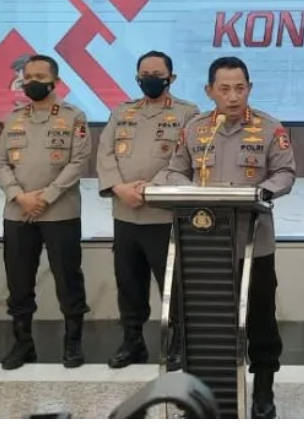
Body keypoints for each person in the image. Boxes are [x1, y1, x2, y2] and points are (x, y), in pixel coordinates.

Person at [156, 56, 296, 419]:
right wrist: (191, 191)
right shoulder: (196, 129)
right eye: (225, 89)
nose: (233, 96)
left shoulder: (269, 128)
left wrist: (262, 192)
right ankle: (204, 394)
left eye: (240, 88)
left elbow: (285, 173)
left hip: (253, 244)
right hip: (203, 246)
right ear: (209, 91)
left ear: (249, 88)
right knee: (205, 326)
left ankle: (263, 391)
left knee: (261, 322)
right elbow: (174, 171)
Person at [97, 50, 199, 370]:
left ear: (171, 78)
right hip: (125, 213)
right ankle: (132, 343)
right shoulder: (122, 112)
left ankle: (178, 344)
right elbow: (105, 153)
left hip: (164, 215)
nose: (150, 80)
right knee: (128, 283)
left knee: (173, 285)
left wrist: (150, 188)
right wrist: (119, 188)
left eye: (157, 75)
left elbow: (186, 158)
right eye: (144, 75)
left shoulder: (188, 113)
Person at [0, 55, 91, 370]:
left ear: (55, 81)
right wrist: (18, 196)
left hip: (60, 212)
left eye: (39, 76)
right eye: (27, 77)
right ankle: (23, 344)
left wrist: (45, 198)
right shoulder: (13, 117)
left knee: (68, 279)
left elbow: (78, 162)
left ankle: (72, 343)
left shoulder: (74, 117)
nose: (32, 82)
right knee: (19, 281)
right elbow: (0, 162)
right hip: (18, 212)